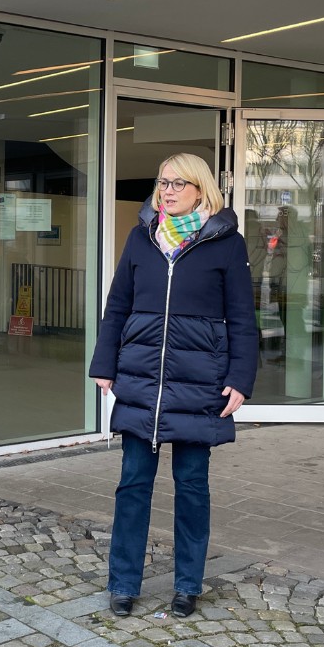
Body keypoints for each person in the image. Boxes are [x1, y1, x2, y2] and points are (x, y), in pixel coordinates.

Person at [89, 153, 258, 618]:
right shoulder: (141, 238)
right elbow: (117, 305)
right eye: (162, 182)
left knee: (192, 486)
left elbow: (243, 318)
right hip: (141, 379)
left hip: (199, 383)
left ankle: (188, 584)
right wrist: (105, 364)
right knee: (133, 484)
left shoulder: (226, 243)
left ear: (200, 190)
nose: (166, 190)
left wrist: (240, 379)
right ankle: (123, 583)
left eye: (177, 183)